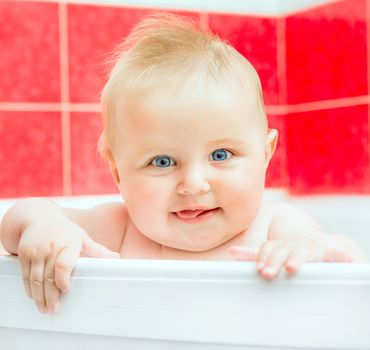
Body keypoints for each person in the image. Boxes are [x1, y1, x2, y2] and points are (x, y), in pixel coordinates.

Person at [0, 13, 366, 314]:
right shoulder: (120, 229)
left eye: (221, 155)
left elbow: (328, 253)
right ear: (116, 171)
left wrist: (323, 251)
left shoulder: (274, 226)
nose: (193, 183)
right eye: (162, 161)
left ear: (266, 155)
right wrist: (44, 225)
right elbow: (19, 218)